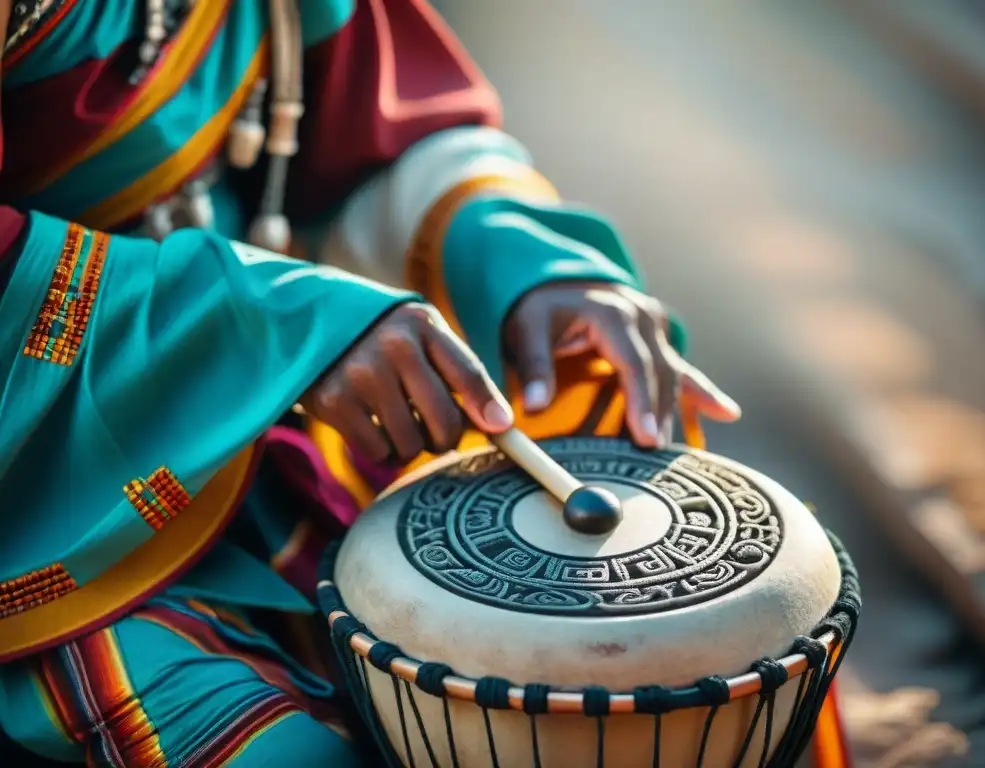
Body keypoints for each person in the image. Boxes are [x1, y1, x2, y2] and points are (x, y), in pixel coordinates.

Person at [0, 1, 756, 765]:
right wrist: (276, 323)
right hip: (45, 502)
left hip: (258, 415)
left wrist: (515, 252)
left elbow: (380, 136)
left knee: (633, 518)